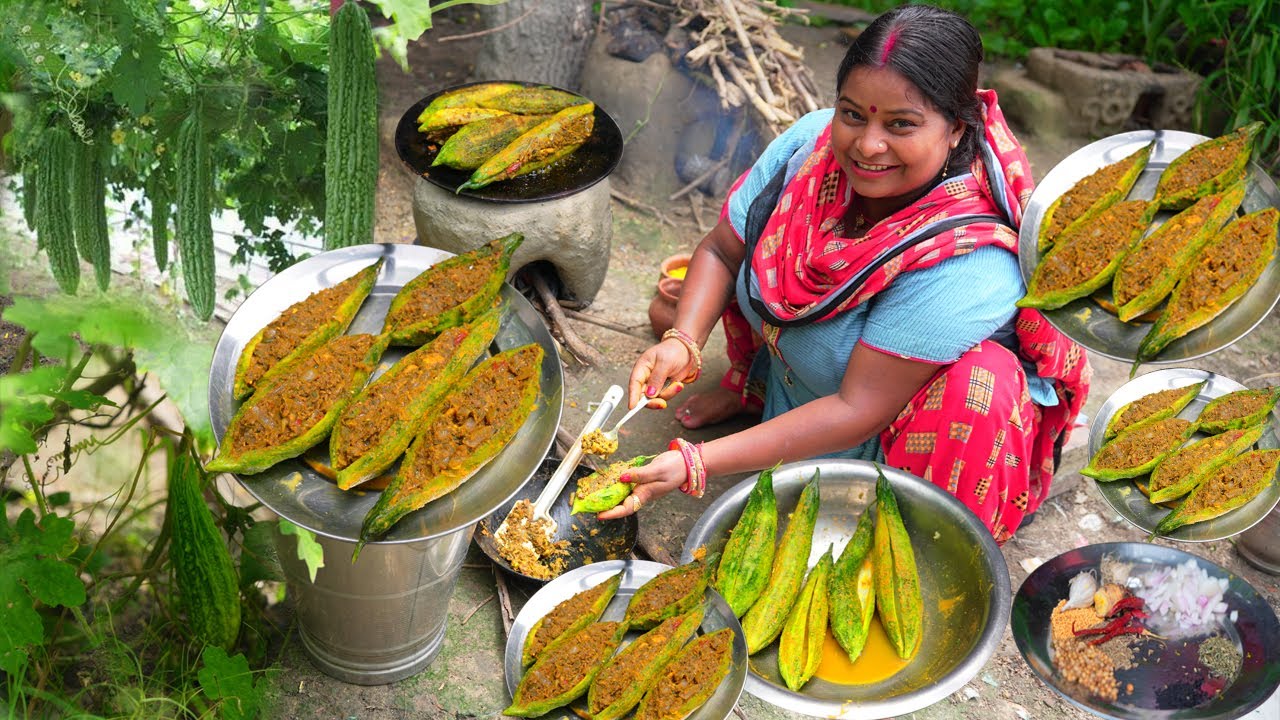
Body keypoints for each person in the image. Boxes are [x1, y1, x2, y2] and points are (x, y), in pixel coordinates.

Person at [600, 4, 1091, 542]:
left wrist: (697, 463)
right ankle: (760, 388)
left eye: (901, 124)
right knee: (738, 269)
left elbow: (857, 407)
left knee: (980, 383)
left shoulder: (970, 260)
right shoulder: (811, 150)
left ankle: (902, 523)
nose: (867, 145)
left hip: (880, 432)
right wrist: (683, 341)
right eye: (853, 114)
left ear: (956, 129)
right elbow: (721, 251)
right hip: (816, 385)